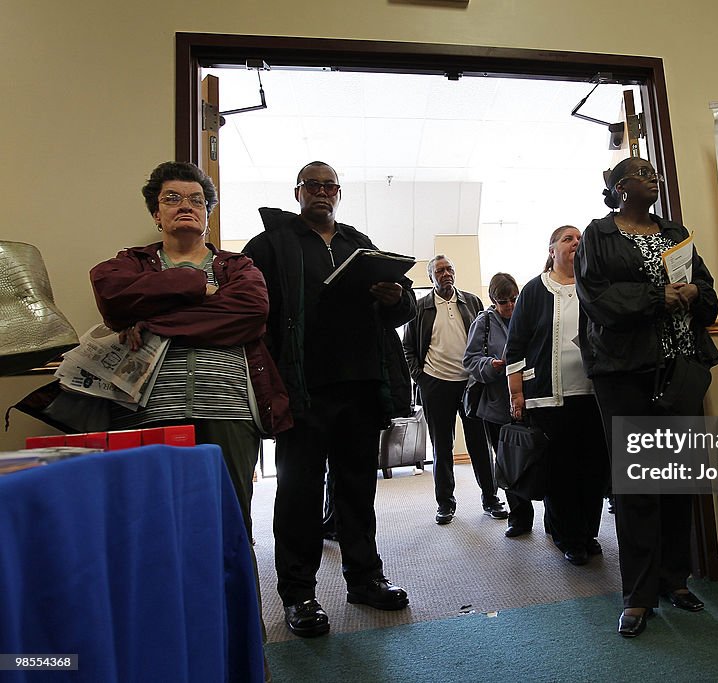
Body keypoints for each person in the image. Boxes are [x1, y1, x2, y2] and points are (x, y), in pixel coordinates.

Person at [90, 161, 292, 677]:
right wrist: (196, 293)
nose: (185, 206)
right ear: (155, 212)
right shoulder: (129, 264)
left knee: (231, 532)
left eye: (196, 200)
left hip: (230, 414)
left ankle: (243, 652)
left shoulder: (238, 268)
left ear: (208, 212)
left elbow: (247, 316)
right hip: (151, 415)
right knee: (160, 534)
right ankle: (172, 654)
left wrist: (153, 316)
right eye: (172, 198)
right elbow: (113, 298)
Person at [243, 161, 413, 639]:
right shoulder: (271, 244)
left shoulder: (360, 242)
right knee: (297, 495)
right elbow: (250, 308)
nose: (321, 192)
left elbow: (400, 310)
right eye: (312, 185)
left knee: (357, 491)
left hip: (361, 386)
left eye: (329, 186)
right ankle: (299, 595)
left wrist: (392, 295)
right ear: (297, 191)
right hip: (302, 390)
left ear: (338, 193)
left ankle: (364, 579)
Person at [575, 157, 718, 638]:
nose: (653, 178)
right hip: (624, 372)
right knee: (637, 484)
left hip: (680, 368)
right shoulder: (598, 235)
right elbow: (598, 298)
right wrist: (659, 297)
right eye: (642, 174)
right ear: (619, 188)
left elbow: (707, 291)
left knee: (677, 479)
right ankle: (637, 595)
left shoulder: (676, 232)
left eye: (655, 172)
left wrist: (695, 292)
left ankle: (674, 580)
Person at [504, 226, 609, 564]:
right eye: (567, 239)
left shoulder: (593, 285)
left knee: (593, 467)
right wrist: (516, 393)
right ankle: (568, 538)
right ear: (551, 250)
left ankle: (588, 532)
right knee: (561, 471)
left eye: (579, 239)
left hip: (592, 393)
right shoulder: (534, 291)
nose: (575, 243)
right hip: (549, 397)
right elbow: (516, 345)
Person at [403, 255, 508, 525]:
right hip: (435, 384)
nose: (446, 273)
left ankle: (490, 498)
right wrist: (421, 377)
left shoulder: (472, 301)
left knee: (479, 444)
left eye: (449, 268)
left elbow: (487, 338)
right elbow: (408, 348)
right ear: (431, 278)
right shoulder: (420, 306)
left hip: (470, 383)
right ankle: (445, 504)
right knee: (442, 446)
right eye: (439, 270)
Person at [462, 273, 531, 537]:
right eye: (504, 302)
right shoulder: (484, 322)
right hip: (496, 404)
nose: (511, 306)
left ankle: (552, 519)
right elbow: (470, 360)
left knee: (536, 455)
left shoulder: (526, 314)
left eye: (514, 299)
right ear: (493, 300)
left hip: (529, 398)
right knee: (507, 462)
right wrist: (491, 366)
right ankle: (519, 517)